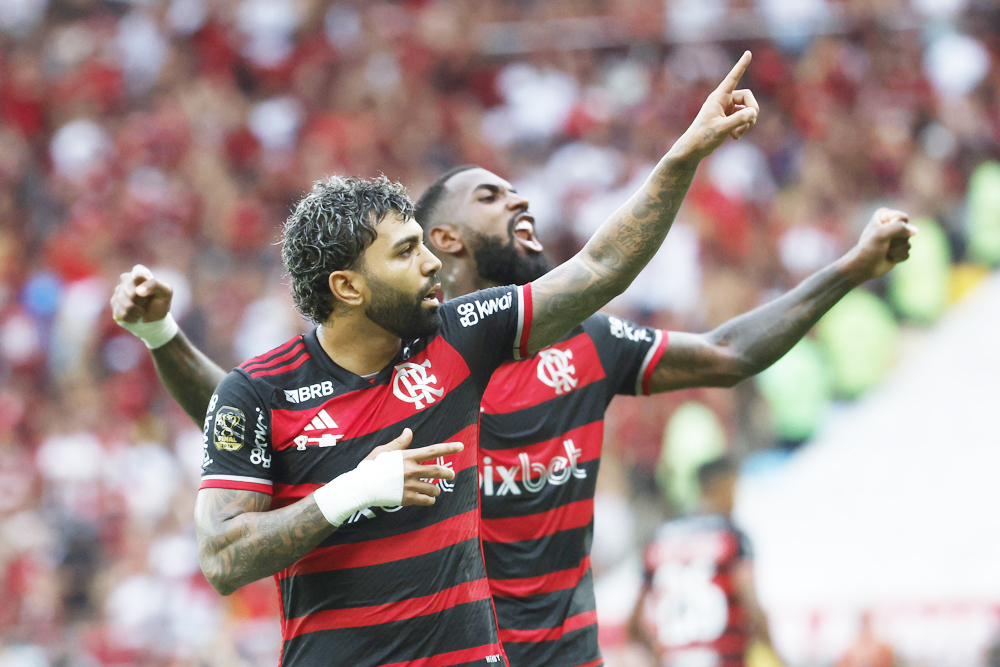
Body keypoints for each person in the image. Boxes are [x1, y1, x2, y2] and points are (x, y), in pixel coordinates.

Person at [112, 60, 917, 667]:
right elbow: (232, 519)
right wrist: (353, 488)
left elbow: (608, 271)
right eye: (409, 251)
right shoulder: (270, 389)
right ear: (356, 282)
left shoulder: (480, 339)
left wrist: (689, 152)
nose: (428, 264)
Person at [629, 457, 779, 666]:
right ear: (722, 487)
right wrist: (778, 655)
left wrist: (658, 656)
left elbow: (634, 622)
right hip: (723, 658)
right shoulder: (731, 538)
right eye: (733, 489)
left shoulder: (660, 538)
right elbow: (751, 604)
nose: (735, 499)